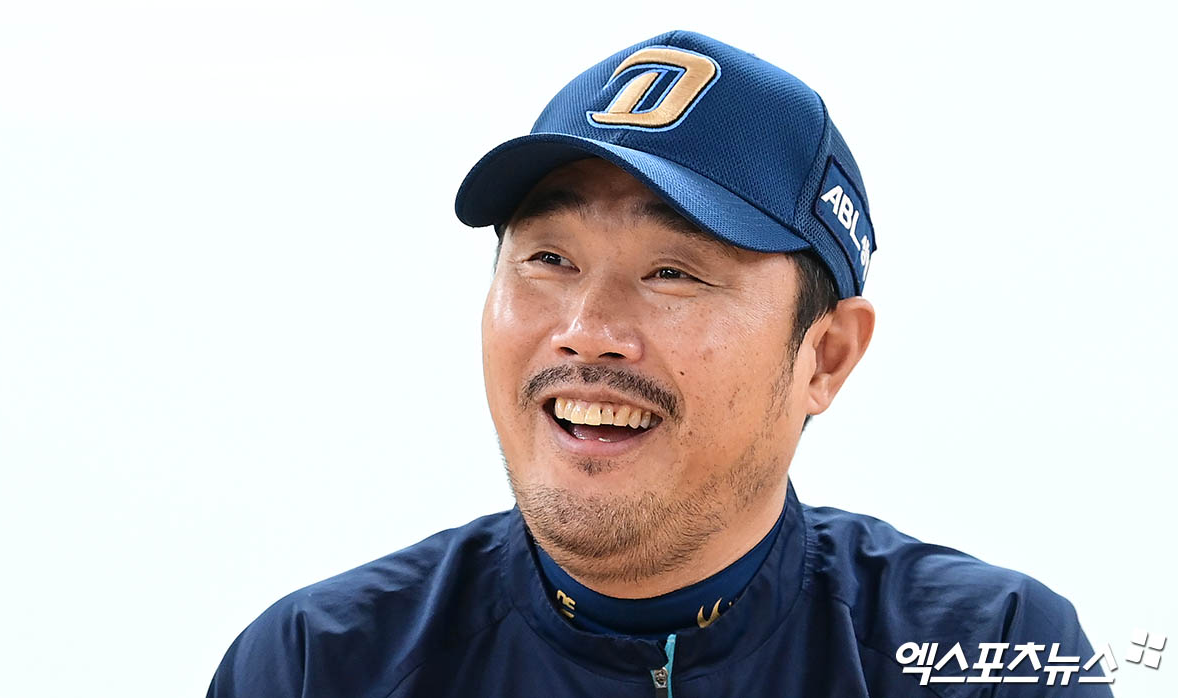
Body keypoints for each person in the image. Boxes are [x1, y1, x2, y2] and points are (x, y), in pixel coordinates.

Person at [207, 30, 1111, 697]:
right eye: (548, 259)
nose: (587, 330)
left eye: (672, 273)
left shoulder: (991, 658)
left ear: (826, 356)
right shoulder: (318, 665)